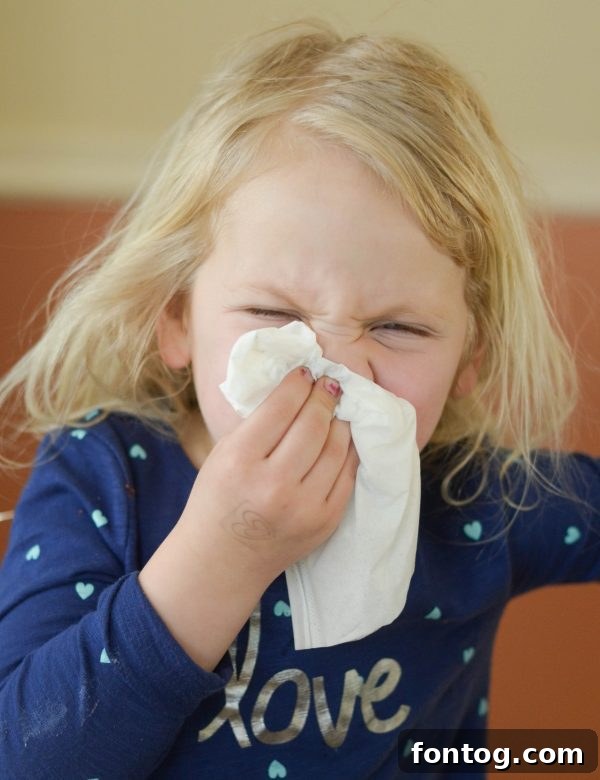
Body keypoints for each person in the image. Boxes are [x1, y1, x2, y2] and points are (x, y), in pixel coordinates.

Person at [0, 20, 598, 779]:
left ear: (469, 357)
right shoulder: (105, 476)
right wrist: (227, 550)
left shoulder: (475, 498)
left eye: (399, 326)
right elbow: (23, 759)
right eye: (274, 317)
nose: (335, 370)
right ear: (176, 317)